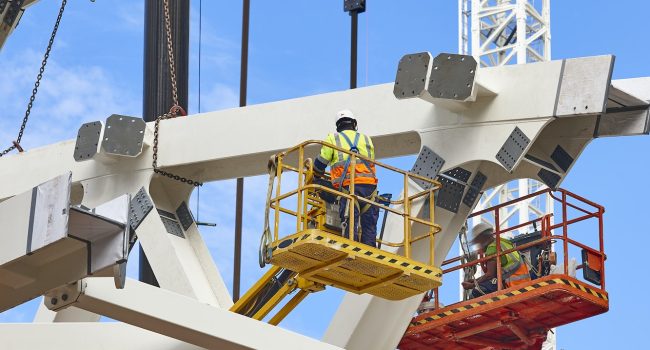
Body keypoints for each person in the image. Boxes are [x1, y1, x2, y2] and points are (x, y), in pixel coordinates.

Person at [313, 109, 379, 247]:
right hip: (370, 189)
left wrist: (316, 175)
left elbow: (321, 163)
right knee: (369, 226)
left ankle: (351, 250)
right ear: (355, 124)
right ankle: (370, 252)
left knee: (350, 223)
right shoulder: (366, 139)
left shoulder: (333, 138)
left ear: (338, 126)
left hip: (349, 187)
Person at [462, 222, 531, 298]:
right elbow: (495, 273)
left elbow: (490, 275)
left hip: (513, 284)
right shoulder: (502, 241)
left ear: (483, 238)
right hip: (523, 281)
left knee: (477, 292)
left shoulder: (492, 248)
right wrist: (476, 280)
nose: (479, 245)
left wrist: (473, 285)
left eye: (478, 242)